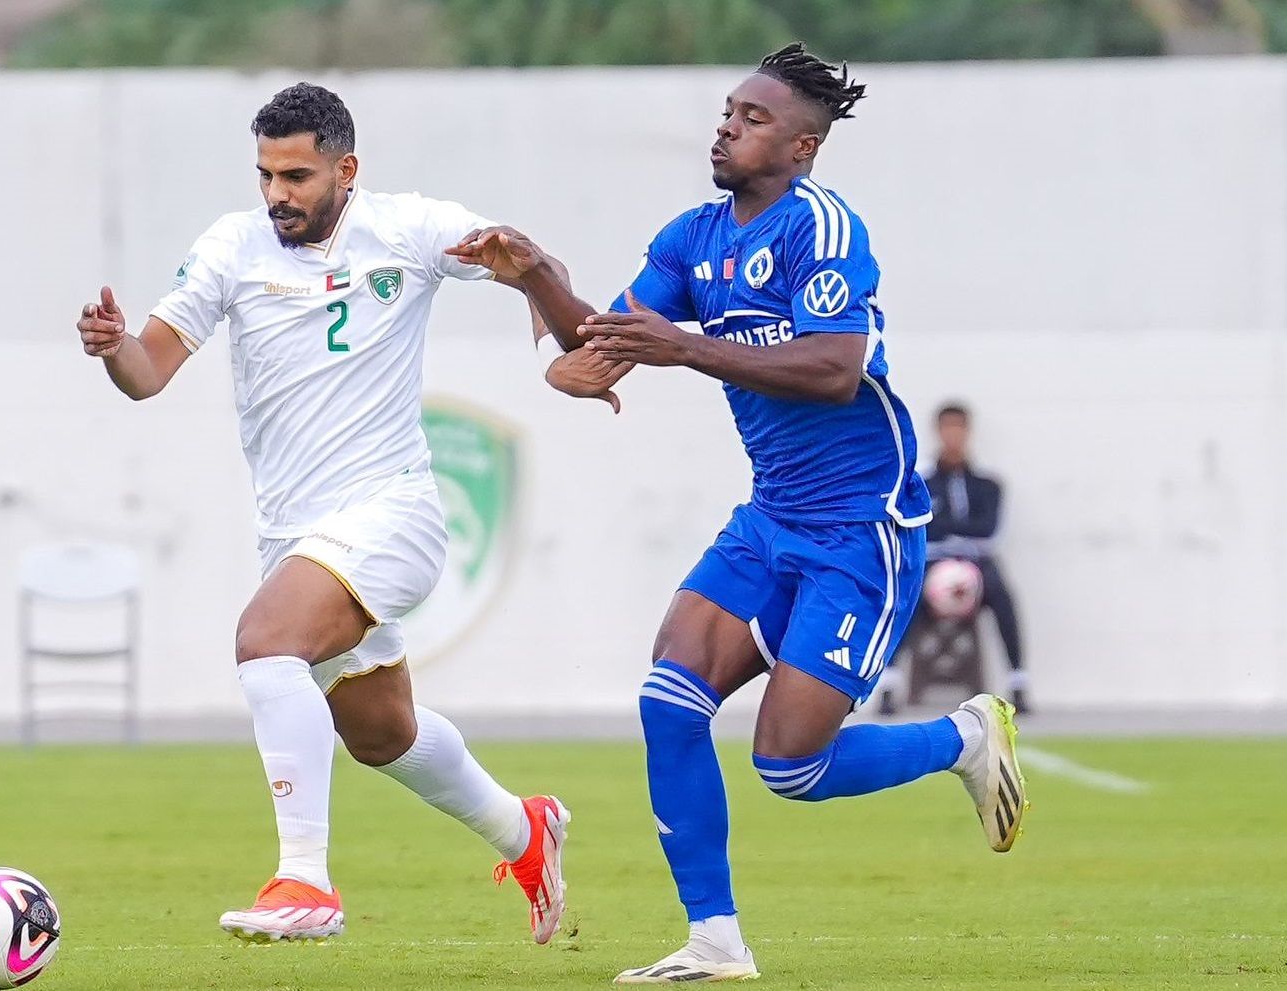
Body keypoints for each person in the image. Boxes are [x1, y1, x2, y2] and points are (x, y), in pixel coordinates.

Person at [447, 43, 1028, 983]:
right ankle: (714, 939)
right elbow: (612, 339)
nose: (727, 125)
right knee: (667, 699)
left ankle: (963, 737)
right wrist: (537, 275)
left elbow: (836, 370)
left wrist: (685, 348)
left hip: (861, 531)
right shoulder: (692, 238)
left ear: (801, 148)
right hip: (770, 518)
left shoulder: (824, 229)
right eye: (727, 111)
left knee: (790, 767)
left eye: (752, 118)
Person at [73, 82, 573, 946]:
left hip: (394, 511)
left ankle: (304, 880)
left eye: (297, 176)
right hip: (296, 537)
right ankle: (526, 831)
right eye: (266, 174)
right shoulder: (232, 246)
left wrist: (539, 286)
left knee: (265, 642)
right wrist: (114, 343)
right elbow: (148, 371)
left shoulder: (410, 228)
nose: (278, 195)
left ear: (346, 169)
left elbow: (529, 269)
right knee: (382, 736)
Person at [924, 402, 1029, 713]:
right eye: (948, 428)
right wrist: (954, 531)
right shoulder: (923, 485)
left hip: (975, 565)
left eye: (960, 428)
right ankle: (889, 681)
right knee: (908, 593)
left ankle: (1018, 680)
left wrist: (948, 529)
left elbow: (988, 529)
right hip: (935, 565)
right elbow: (922, 528)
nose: (953, 435)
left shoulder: (988, 485)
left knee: (1002, 592)